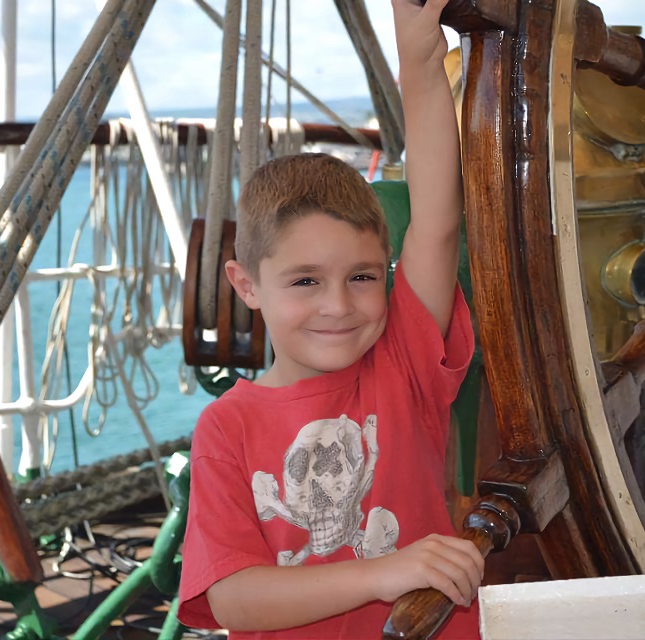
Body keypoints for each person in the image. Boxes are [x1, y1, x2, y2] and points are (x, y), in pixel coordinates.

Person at [178, 0, 483, 637]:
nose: (339, 305)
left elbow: (436, 222)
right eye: (306, 281)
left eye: (363, 277)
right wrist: (383, 573)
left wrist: (420, 61)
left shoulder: (401, 363)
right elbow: (231, 596)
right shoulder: (225, 429)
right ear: (247, 285)